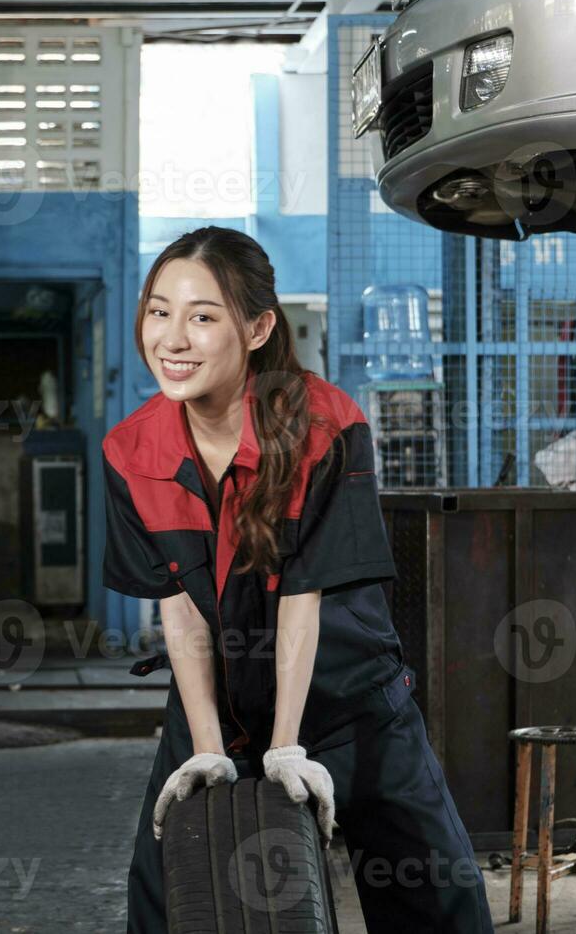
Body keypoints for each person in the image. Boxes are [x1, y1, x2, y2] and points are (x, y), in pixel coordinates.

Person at [106, 226, 494, 933]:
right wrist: (206, 749)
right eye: (159, 312)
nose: (172, 338)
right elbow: (181, 610)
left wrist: (287, 745)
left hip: (349, 701)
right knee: (168, 902)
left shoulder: (325, 424)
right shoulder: (132, 450)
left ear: (257, 328)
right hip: (219, 705)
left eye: (203, 316)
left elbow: (301, 597)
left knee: (436, 896)